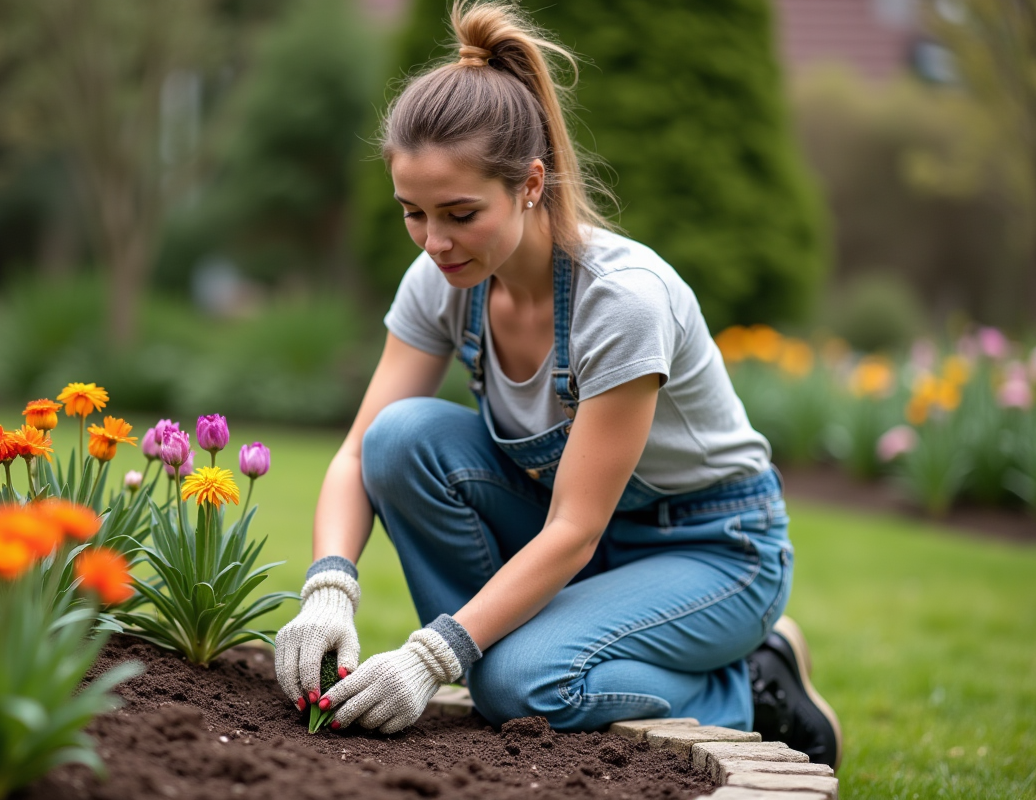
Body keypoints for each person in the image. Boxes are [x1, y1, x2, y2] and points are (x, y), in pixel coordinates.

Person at [274, 0, 842, 768]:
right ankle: (497, 659)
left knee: (520, 683)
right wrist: (328, 589)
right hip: (578, 537)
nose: (435, 242)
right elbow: (356, 456)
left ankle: (750, 685)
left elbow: (575, 529)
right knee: (401, 439)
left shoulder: (624, 301)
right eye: (413, 213)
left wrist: (430, 658)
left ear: (531, 183)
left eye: (460, 213)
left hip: (713, 548)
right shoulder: (444, 278)